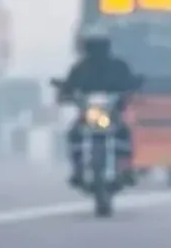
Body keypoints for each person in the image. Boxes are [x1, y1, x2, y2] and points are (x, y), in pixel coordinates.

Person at [57, 36, 140, 188]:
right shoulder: (81, 68)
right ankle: (78, 170)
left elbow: (131, 83)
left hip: (111, 113)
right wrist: (65, 94)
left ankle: (126, 169)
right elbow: (68, 87)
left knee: (124, 134)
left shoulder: (117, 67)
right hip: (89, 114)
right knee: (74, 135)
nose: (97, 52)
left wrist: (132, 88)